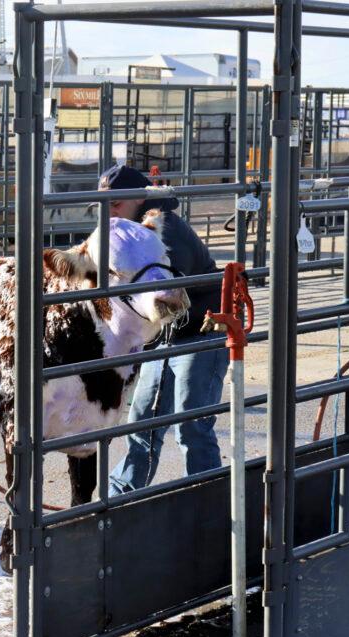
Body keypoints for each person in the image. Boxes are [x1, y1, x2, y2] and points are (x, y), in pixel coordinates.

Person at [102, 164, 228, 494]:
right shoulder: (129, 231)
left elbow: (165, 298)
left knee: (191, 424)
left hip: (201, 329)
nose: (108, 213)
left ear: (139, 200)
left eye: (114, 204)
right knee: (144, 422)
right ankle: (122, 494)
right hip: (165, 336)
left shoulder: (164, 232)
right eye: (102, 205)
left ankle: (205, 496)